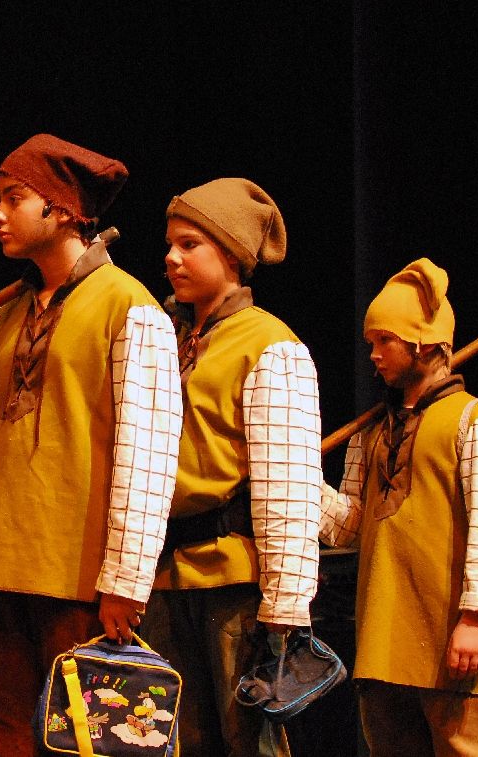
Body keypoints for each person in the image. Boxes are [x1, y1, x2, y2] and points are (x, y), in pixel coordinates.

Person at [0, 133, 182, 757]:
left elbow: (149, 455)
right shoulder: (7, 317)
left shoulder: (130, 308)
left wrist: (126, 580)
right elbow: (5, 435)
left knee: (83, 746)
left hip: (81, 577)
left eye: (14, 198)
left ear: (63, 209)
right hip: (2, 564)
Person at [142, 178, 322, 757]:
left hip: (232, 587)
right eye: (170, 244)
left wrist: (286, 604)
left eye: (190, 244)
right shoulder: (165, 338)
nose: (172, 258)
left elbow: (289, 484)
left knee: (246, 741)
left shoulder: (269, 344)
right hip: (165, 578)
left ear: (232, 254)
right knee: (173, 740)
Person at [319, 257, 478, 757]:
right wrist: (299, 480)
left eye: (384, 340)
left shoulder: (475, 421)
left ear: (424, 343)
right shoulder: (371, 431)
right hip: (381, 638)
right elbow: (350, 528)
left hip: (448, 635)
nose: (374, 354)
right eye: (371, 342)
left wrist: (475, 619)